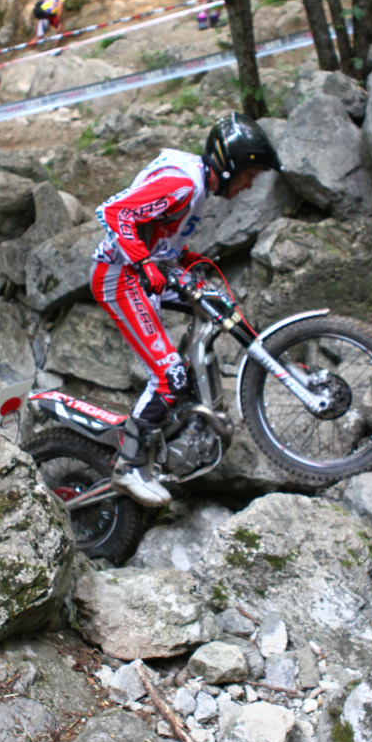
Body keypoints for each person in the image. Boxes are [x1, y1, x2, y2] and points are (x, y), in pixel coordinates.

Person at [91, 112, 281, 507]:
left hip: (144, 272)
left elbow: (159, 231)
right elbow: (116, 212)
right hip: (120, 276)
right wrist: (145, 262)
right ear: (229, 167)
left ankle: (186, 410)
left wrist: (182, 258)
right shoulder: (184, 184)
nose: (249, 186)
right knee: (169, 375)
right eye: (249, 176)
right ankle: (129, 466)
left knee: (215, 305)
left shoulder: (195, 185)